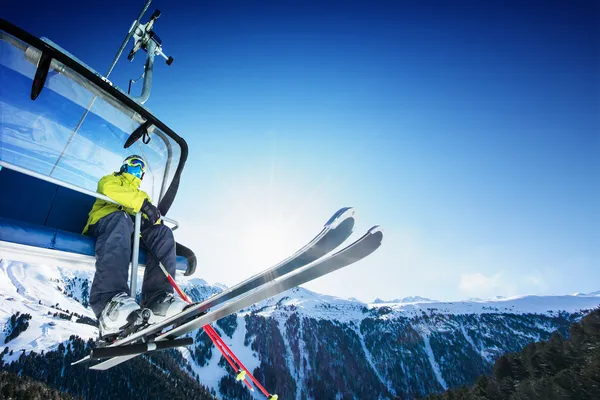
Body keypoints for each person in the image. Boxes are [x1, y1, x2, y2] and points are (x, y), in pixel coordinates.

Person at [82, 154, 187, 337]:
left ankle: (157, 300)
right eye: (133, 164)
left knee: (163, 233)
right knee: (121, 219)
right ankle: (108, 302)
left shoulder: (142, 195)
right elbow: (109, 190)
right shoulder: (111, 180)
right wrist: (142, 206)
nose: (137, 169)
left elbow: (148, 219)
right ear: (124, 166)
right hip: (104, 224)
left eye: (141, 168)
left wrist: (150, 222)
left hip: (128, 232)